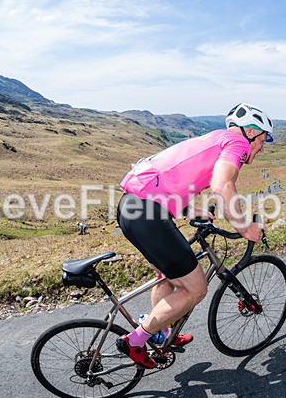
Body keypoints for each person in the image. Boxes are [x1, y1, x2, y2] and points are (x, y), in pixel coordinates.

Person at [115, 103, 273, 368]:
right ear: (251, 131)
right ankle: (135, 341)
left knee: (168, 275)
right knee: (196, 288)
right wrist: (245, 227)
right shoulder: (237, 144)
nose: (262, 146)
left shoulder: (213, 139)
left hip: (131, 207)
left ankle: (163, 331)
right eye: (263, 139)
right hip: (148, 215)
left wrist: (188, 209)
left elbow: (172, 175)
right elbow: (223, 186)